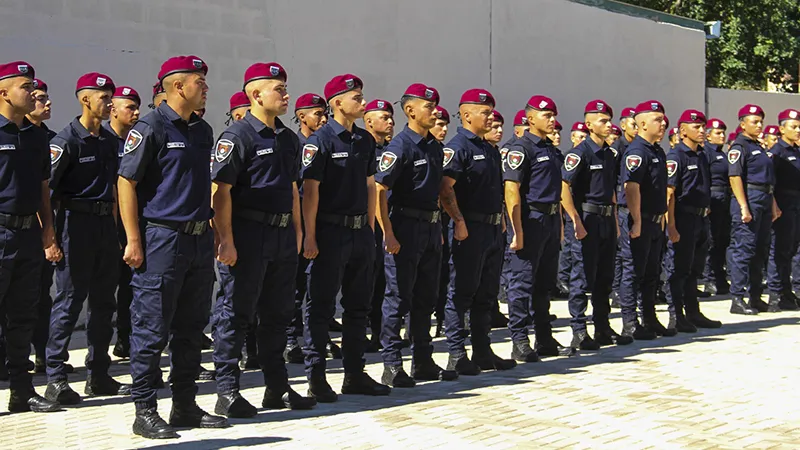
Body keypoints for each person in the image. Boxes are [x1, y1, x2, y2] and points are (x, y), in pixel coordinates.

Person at [118, 55, 228, 439]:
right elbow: (126, 182)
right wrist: (134, 238)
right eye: (200, 81)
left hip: (197, 238)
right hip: (161, 237)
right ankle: (145, 410)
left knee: (191, 326)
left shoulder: (203, 130)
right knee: (151, 328)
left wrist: (215, 230)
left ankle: (185, 404)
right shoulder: (149, 127)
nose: (206, 88)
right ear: (178, 86)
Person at [210, 62, 316, 418]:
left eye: (285, 88)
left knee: (278, 315)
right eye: (278, 89)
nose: (285, 94)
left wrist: (298, 233)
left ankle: (277, 387)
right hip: (248, 234)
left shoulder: (287, 138)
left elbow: (291, 189)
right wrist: (225, 239)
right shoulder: (237, 136)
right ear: (255, 95)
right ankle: (227, 390)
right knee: (236, 315)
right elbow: (220, 191)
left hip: (282, 236)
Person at [300, 74, 390, 402]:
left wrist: (368, 227)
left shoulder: (364, 141)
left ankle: (355, 374)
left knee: (358, 307)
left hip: (359, 234)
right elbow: (310, 192)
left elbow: (370, 186)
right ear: (337, 103)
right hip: (329, 231)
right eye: (356, 98)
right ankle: (316, 376)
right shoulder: (320, 141)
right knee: (321, 307)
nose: (362, 103)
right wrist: (310, 236)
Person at [45, 72, 131, 405]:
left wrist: (119, 234)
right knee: (68, 302)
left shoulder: (110, 142)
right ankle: (55, 377)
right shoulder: (67, 140)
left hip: (103, 228)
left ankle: (98, 374)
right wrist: (50, 236)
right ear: (85, 100)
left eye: (111, 98)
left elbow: (114, 188)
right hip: (74, 226)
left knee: (103, 303)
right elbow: (48, 193)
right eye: (103, 98)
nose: (109, 104)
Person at [376, 83, 457, 387]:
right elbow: (380, 190)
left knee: (426, 297)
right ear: (410, 110)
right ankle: (392, 364)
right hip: (405, 227)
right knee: (398, 298)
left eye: (435, 105)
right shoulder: (400, 147)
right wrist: (388, 233)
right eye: (428, 106)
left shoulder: (434, 146)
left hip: (430, 228)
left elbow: (438, 189)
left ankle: (422, 360)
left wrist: (439, 228)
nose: (434, 111)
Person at [440, 89, 516, 376]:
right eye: (484, 112)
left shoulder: (488, 148)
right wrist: (458, 221)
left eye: (491, 111)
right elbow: (446, 188)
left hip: (493, 229)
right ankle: (457, 354)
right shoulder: (459, 147)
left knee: (486, 294)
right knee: (462, 293)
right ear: (467, 114)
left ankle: (483, 351)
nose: (489, 116)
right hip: (469, 229)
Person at [0, 61, 61, 413]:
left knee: (24, 315)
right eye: (25, 86)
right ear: (4, 92)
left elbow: (42, 189)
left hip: (27, 235)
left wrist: (48, 231)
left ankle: (21, 391)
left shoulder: (38, 136)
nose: (32, 90)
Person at [504, 95, 573, 362]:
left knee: (544, 285)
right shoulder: (522, 149)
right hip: (530, 220)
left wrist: (561, 226)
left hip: (551, 221)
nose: (552, 120)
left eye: (553, 115)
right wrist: (517, 230)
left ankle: (544, 338)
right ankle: (519, 340)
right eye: (546, 116)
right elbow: (512, 190)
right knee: (521, 283)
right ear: (530, 119)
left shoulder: (552, 151)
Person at [561, 100, 633, 349]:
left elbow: (612, 190)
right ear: (589, 124)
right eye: (602, 121)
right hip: (586, 219)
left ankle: (602, 327)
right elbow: (564, 187)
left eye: (609, 120)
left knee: (605, 276)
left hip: (606, 219)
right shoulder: (579, 153)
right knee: (582, 277)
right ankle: (579, 331)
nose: (608, 125)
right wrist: (575, 220)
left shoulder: (610, 154)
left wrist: (615, 221)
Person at [663, 110, 722, 332]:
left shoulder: (702, 155)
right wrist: (671, 226)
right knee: (679, 269)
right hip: (683, 217)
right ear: (682, 130)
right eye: (696, 127)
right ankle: (676, 315)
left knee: (694, 269)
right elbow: (669, 194)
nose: (701, 131)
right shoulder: (676, 156)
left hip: (700, 218)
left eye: (703, 127)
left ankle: (693, 312)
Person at [285, 92, 333, 364]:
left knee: (318, 287)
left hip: (319, 222)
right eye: (317, 113)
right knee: (296, 286)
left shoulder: (322, 143)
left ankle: (319, 337)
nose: (323, 119)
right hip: (298, 224)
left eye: (324, 113)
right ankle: (291, 340)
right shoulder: (298, 145)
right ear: (301, 116)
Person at [618, 100, 673, 340]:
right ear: (641, 123)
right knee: (633, 272)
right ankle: (630, 322)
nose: (662, 124)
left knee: (651, 272)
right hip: (639, 220)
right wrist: (637, 220)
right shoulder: (637, 151)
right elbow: (631, 188)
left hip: (655, 220)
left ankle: (649, 319)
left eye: (662, 120)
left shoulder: (657, 150)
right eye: (657, 120)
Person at [727, 104, 779, 315]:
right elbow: (735, 176)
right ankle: (737, 298)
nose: (759, 125)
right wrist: (743, 206)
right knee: (744, 249)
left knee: (760, 250)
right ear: (742, 124)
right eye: (754, 121)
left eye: (761, 122)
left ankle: (755, 296)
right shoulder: (740, 147)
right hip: (750, 198)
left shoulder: (758, 146)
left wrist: (773, 204)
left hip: (764, 198)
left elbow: (768, 179)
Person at [26, 78, 62, 374]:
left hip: (42, 230)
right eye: (38, 97)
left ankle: (42, 354)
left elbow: (49, 191)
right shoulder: (15, 135)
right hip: (17, 228)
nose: (45, 102)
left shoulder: (50, 139)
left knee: (40, 296)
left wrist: (49, 233)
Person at [106, 86, 141, 360]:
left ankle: (125, 339)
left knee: (131, 287)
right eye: (129, 106)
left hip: (133, 224)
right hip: (104, 226)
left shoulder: (138, 141)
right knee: (104, 291)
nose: (136, 112)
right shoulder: (102, 140)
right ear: (113, 110)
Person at [363, 98, 395, 352]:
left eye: (391, 117)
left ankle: (381, 332)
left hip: (391, 221)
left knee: (386, 282)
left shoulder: (393, 150)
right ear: (368, 121)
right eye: (384, 117)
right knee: (369, 282)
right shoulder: (364, 149)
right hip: (370, 225)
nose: (390, 121)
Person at [765, 109, 800, 311]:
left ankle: (788, 292)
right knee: (780, 249)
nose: (798, 130)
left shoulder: (796, 151)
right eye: (793, 126)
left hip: (797, 203)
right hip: (783, 203)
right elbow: (771, 183)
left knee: (793, 248)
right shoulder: (777, 153)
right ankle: (775, 293)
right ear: (781, 129)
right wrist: (774, 205)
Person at [702, 118, 731, 295]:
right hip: (712, 197)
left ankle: (720, 277)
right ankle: (708, 279)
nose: (722, 136)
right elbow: (704, 178)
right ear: (708, 135)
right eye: (718, 133)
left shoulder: (723, 154)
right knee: (710, 241)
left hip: (724, 198)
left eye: (723, 132)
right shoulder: (706, 153)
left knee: (722, 240)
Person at [431, 104, 450, 337]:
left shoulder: (440, 151)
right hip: (417, 222)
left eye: (446, 125)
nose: (443, 129)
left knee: (442, 274)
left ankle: (442, 317)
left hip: (440, 221)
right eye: (439, 124)